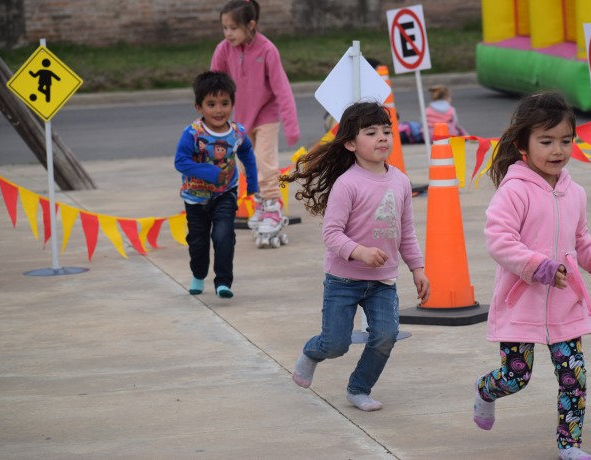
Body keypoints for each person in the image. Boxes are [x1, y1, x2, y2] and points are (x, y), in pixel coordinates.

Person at [472, 92, 591, 460]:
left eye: (566, 140)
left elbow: (581, 241)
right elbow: (499, 240)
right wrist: (538, 266)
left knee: (574, 377)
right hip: (521, 301)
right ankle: (484, 391)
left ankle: (569, 445)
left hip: (563, 304)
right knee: (515, 377)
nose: (558, 150)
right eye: (546, 141)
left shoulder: (575, 192)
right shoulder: (515, 191)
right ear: (522, 145)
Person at [281, 101, 430, 412]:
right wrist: (359, 252)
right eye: (371, 132)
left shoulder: (401, 181)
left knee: (385, 337)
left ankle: (359, 388)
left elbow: (406, 230)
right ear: (350, 143)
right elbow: (331, 234)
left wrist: (417, 268)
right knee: (336, 344)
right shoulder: (347, 184)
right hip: (343, 279)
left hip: (383, 281)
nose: (382, 138)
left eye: (387, 131)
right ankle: (311, 352)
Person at [210, 0, 300, 239]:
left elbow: (282, 89)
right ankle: (260, 203)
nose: (228, 33)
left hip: (266, 115)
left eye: (233, 28)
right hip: (239, 119)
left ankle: (273, 207)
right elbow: (214, 85)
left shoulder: (267, 50)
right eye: (224, 28)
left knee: (264, 160)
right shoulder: (223, 50)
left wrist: (291, 125)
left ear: (250, 25)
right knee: (245, 164)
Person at [174, 71, 259, 298]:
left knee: (223, 236)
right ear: (199, 107)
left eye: (224, 103)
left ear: (232, 103)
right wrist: (210, 172)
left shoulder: (237, 133)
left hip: (225, 193)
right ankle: (198, 275)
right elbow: (180, 161)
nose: (218, 110)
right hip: (195, 197)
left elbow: (247, 153)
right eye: (211, 104)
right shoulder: (192, 133)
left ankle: (223, 282)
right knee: (198, 242)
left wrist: (252, 181)